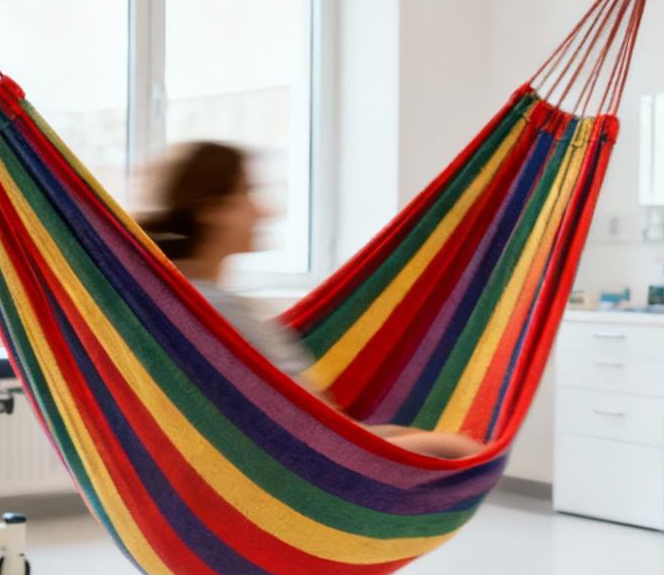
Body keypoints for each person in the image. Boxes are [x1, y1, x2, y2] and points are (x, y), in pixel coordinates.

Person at [137, 141, 486, 460]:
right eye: (247, 193)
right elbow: (310, 429)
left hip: (293, 456)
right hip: (306, 462)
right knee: (462, 452)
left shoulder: (174, 301)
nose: (264, 211)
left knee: (415, 438)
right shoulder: (215, 310)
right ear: (211, 209)